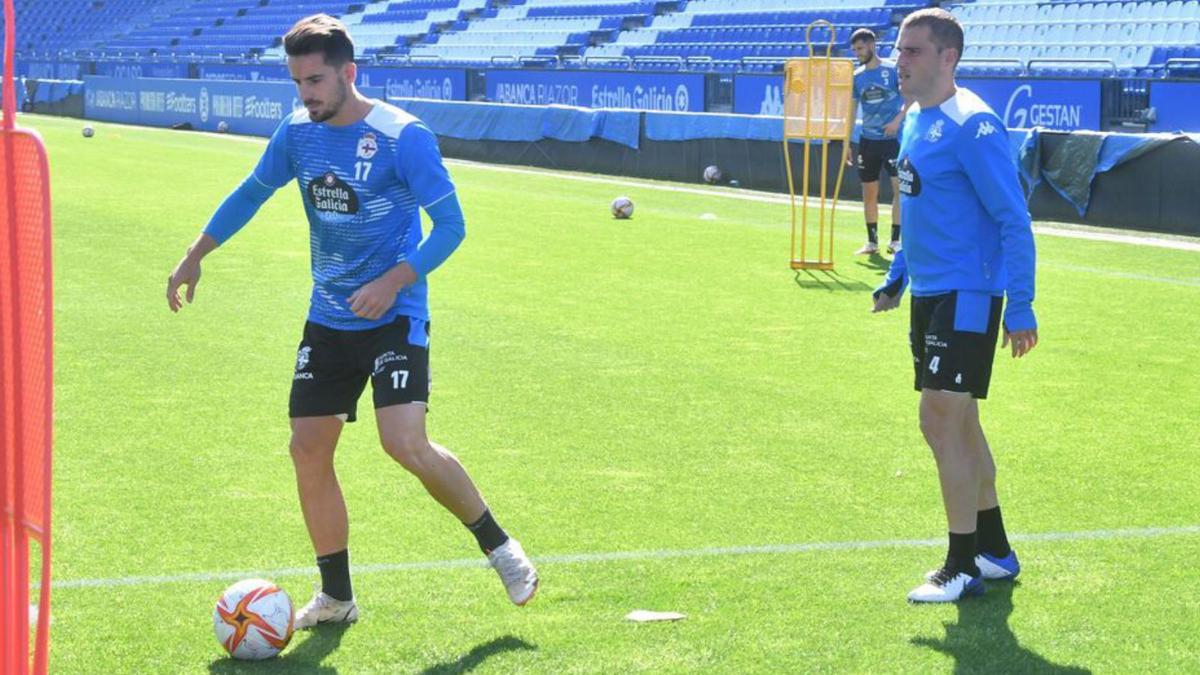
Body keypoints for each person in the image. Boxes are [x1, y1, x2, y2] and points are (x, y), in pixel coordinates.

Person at [165, 14, 538, 627]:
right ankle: (337, 597)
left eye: (315, 80)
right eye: (297, 83)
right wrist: (194, 254)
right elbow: (251, 193)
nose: (306, 94)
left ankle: (500, 547)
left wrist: (396, 279)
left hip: (395, 315)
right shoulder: (297, 133)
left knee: (403, 443)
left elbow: (452, 228)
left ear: (348, 73)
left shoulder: (403, 137)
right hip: (329, 317)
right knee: (307, 449)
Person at [871, 8, 1038, 603]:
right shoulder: (915, 119)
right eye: (898, 50)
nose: (900, 62)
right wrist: (896, 278)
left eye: (913, 51)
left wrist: (1020, 305)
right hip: (932, 292)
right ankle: (994, 550)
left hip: (969, 294)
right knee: (961, 422)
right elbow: (920, 213)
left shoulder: (975, 125)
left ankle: (960, 564)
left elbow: (1013, 218)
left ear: (949, 57)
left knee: (938, 419)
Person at [848, 28, 906, 256]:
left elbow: (909, 99)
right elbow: (852, 111)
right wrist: (846, 144)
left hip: (893, 140)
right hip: (867, 141)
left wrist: (896, 121)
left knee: (898, 189)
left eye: (860, 48)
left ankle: (895, 241)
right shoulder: (857, 76)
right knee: (869, 192)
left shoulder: (892, 70)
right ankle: (872, 242)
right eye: (854, 50)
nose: (857, 53)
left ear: (872, 45)